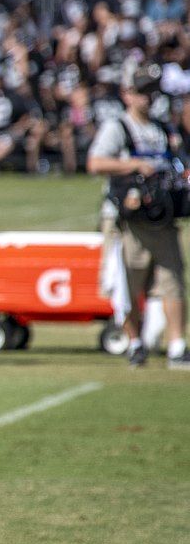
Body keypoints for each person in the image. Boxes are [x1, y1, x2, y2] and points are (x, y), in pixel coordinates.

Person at [87, 68, 189, 370]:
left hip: (161, 219)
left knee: (172, 281)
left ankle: (177, 346)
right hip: (127, 221)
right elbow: (95, 163)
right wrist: (134, 165)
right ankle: (134, 343)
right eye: (142, 91)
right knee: (127, 285)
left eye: (152, 91)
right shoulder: (118, 127)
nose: (148, 97)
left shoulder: (162, 129)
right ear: (127, 94)